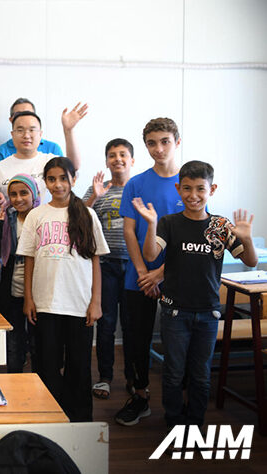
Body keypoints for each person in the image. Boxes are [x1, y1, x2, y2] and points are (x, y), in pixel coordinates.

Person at [132, 160, 257, 429]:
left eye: (200, 189)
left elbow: (250, 261)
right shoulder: (169, 222)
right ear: (178, 188)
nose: (193, 195)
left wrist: (246, 238)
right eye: (187, 188)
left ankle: (195, 424)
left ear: (212, 189)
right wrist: (151, 224)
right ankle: (175, 422)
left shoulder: (221, 226)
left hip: (209, 313)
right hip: (175, 312)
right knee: (174, 373)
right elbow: (151, 254)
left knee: (201, 375)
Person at [18, 157, 109, 423]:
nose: (57, 184)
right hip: (45, 303)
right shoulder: (37, 215)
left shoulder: (87, 214)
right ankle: (50, 416)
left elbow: (95, 260)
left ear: (73, 180)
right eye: (51, 179)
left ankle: (79, 421)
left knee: (79, 366)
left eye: (62, 178)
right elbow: (29, 259)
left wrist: (96, 302)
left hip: (79, 304)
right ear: (45, 182)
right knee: (47, 364)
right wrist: (29, 298)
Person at [114, 118, 185, 427]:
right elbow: (130, 231)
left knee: (178, 341)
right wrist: (145, 271)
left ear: (176, 142)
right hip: (138, 276)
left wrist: (161, 274)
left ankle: (180, 402)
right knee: (136, 339)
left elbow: (194, 235)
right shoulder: (136, 183)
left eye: (165, 141)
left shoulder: (189, 183)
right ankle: (140, 395)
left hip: (179, 276)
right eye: (152, 143)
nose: (159, 148)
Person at [82, 139, 135, 400]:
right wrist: (94, 196)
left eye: (123, 154)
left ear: (132, 160)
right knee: (105, 325)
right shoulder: (98, 189)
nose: (117, 159)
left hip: (135, 267)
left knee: (133, 325)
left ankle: (135, 379)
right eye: (112, 155)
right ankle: (104, 378)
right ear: (106, 161)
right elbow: (76, 219)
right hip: (105, 267)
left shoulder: (140, 189)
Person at [0, 174, 41, 373]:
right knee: (14, 340)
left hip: (38, 287)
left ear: (34, 194)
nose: (18, 198)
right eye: (13, 194)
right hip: (11, 285)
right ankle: (15, 378)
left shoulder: (43, 217)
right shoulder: (7, 217)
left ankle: (40, 382)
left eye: (24, 193)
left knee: (38, 340)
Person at [0, 106, 87, 200]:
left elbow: (73, 167)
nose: (26, 135)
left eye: (32, 130)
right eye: (20, 130)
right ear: (12, 134)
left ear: (40, 134)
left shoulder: (51, 161)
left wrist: (68, 131)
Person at [0, 98, 64, 168]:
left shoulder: (53, 149)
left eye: (28, 113)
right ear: (11, 119)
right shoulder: (1, 153)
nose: (24, 117)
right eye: (18, 114)